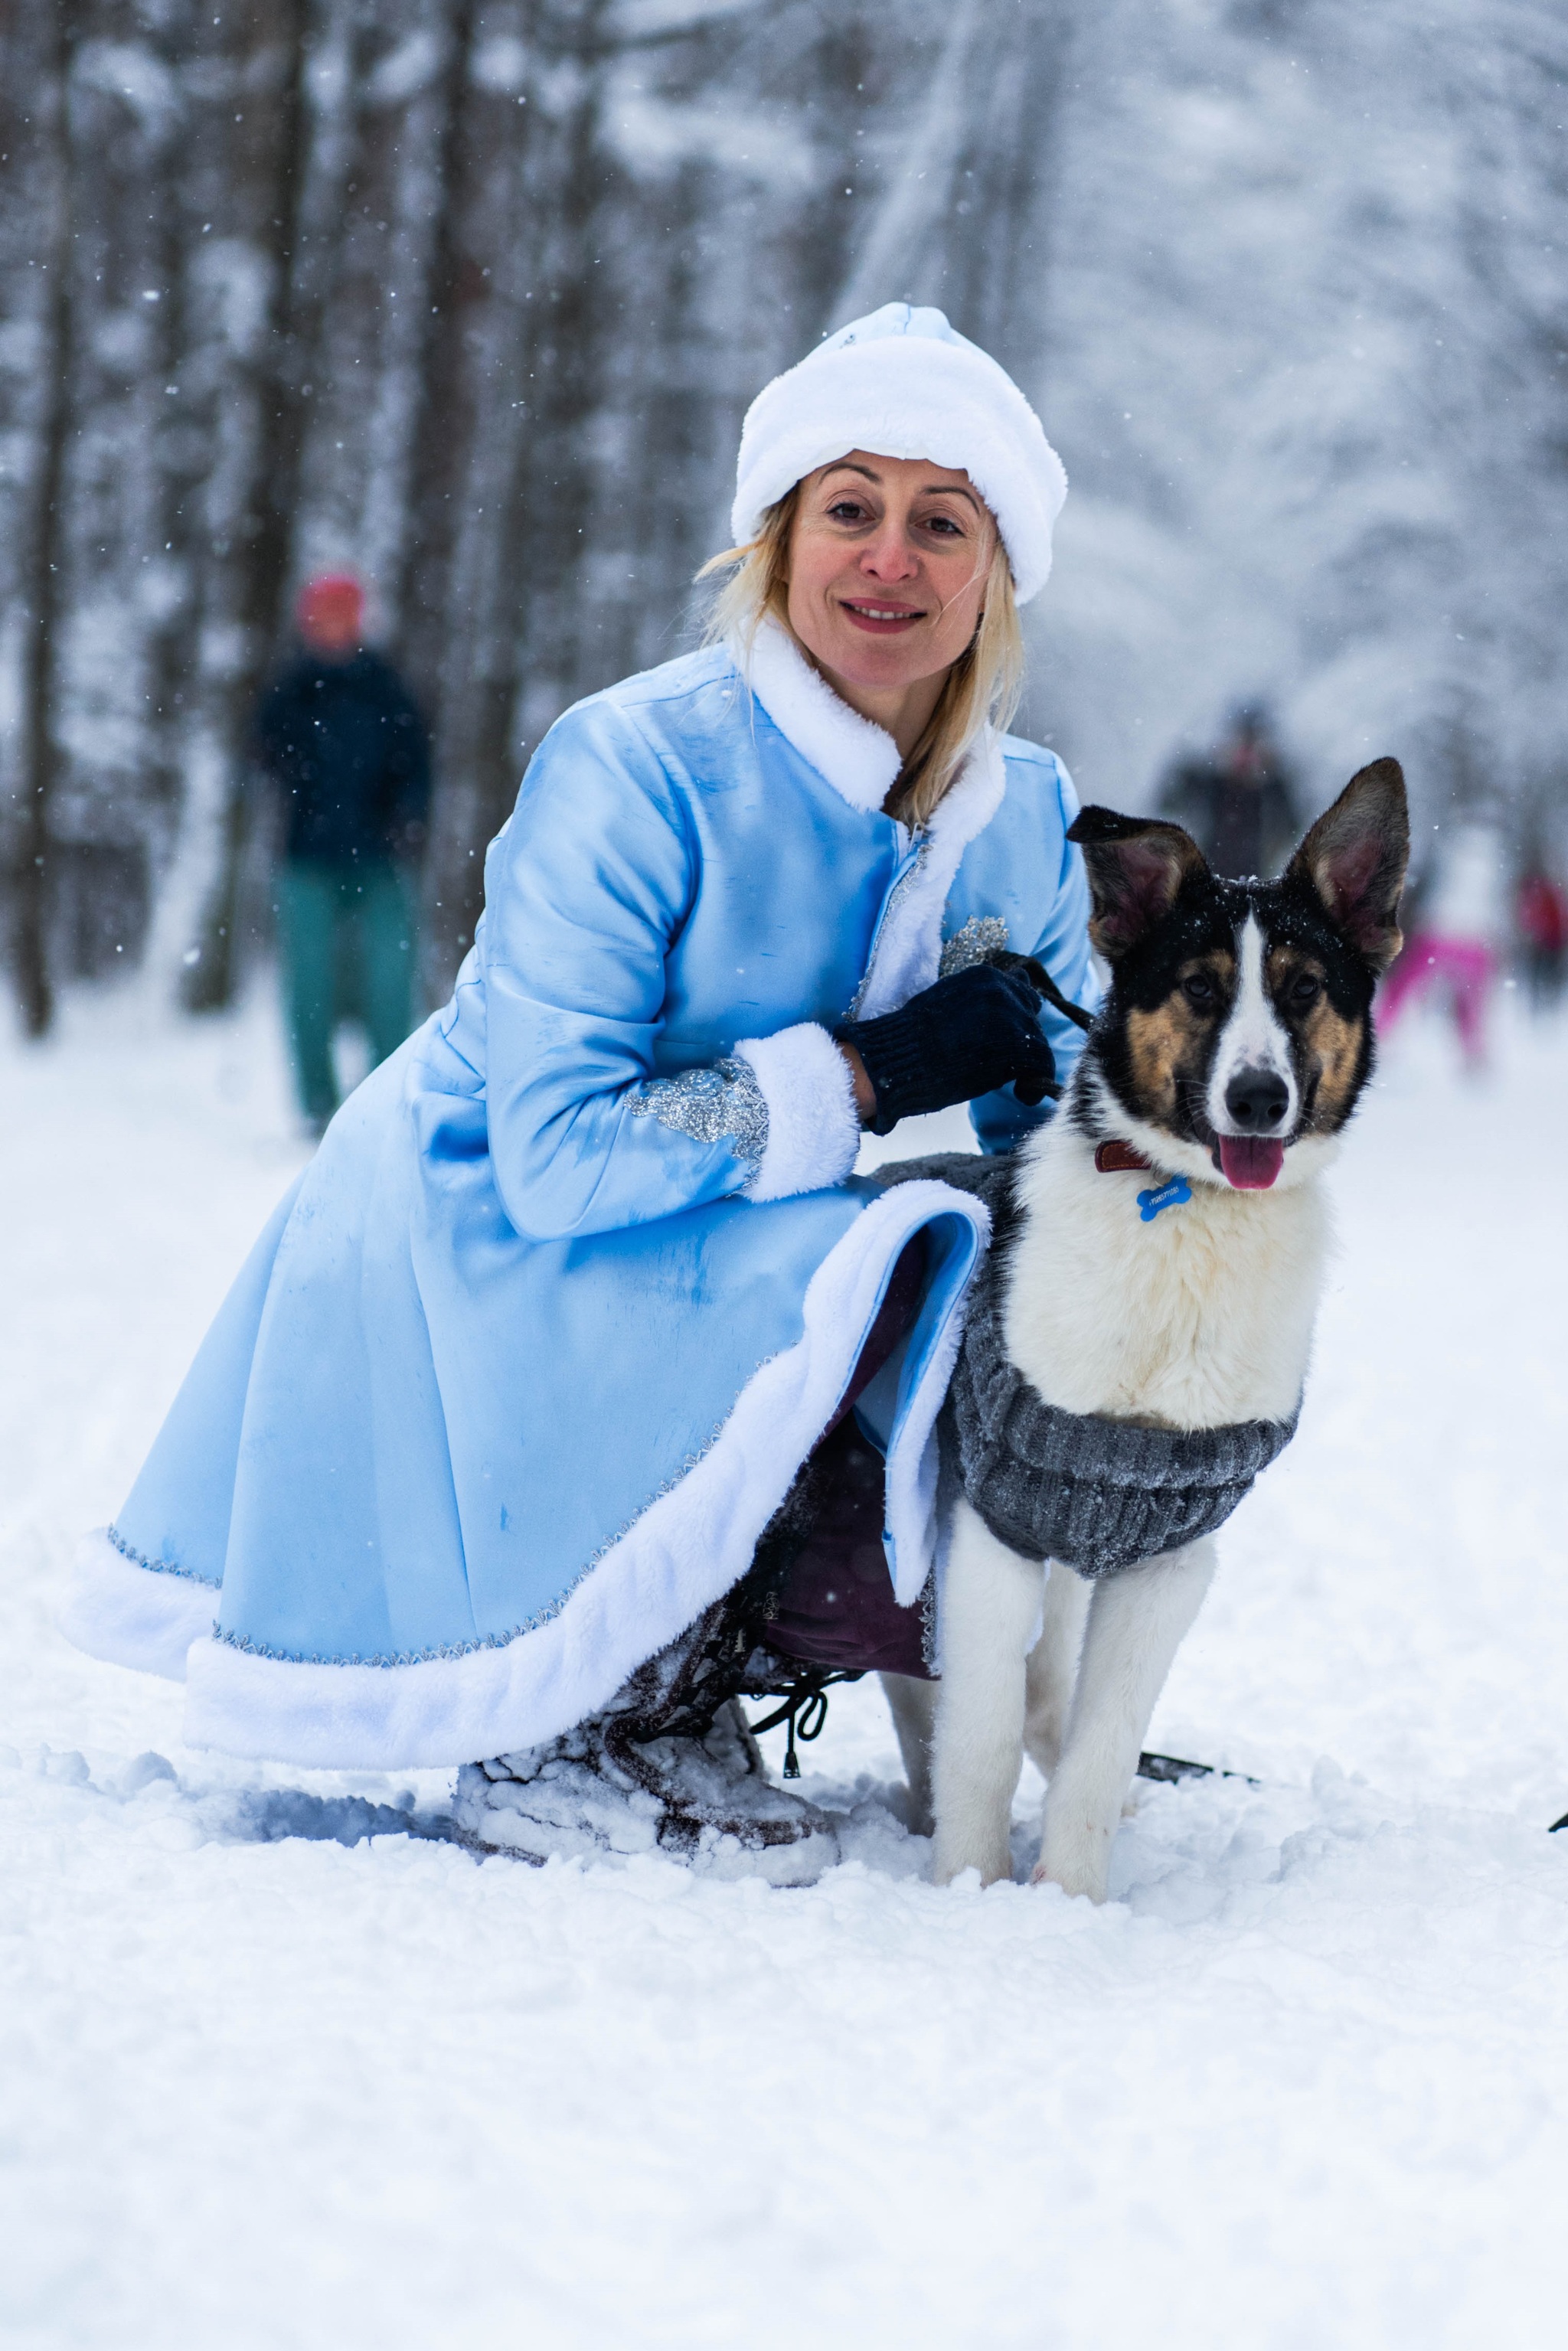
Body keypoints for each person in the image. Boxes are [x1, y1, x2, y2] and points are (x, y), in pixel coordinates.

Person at [62, 305, 1096, 1863]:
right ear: (776, 535)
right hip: (470, 1230)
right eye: (850, 508)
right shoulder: (638, 763)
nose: (891, 557)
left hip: (705, 1233)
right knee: (878, 1251)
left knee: (1011, 1270)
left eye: (941, 522)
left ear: (994, 574)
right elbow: (556, 1154)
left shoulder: (1024, 814)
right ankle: (594, 1718)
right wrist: (874, 1072)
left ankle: (1016, 1709)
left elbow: (1076, 1151)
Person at [255, 573, 430, 1132]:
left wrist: (409, 815)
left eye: (341, 613)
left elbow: (417, 762)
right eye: (321, 614)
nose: (330, 624)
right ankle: (317, 1105)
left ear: (357, 618)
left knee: (389, 977)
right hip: (306, 858)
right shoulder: (292, 689)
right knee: (308, 982)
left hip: (379, 856)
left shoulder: (384, 685)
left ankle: (386, 1100)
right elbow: (263, 753)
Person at [1377, 817, 1510, 1071]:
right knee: (1471, 1000)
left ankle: (1378, 1039)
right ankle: (1475, 1054)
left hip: (1439, 930)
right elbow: (1500, 906)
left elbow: (1424, 887)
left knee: (1403, 988)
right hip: (1476, 937)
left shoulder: (1448, 849)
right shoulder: (1495, 858)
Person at [1159, 703, 1299, 879]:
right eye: (1241, 747)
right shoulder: (1207, 785)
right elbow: (1168, 802)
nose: (1247, 758)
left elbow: (1292, 832)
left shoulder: (1275, 794)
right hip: (1208, 884)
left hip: (1255, 887)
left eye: (1254, 749)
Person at [1516, 855, 1567, 1013]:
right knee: (1541, 973)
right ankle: (1541, 1002)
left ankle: (1544, 1001)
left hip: (1549, 941)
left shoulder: (1546, 896)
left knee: (1544, 973)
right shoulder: (1547, 895)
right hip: (1545, 941)